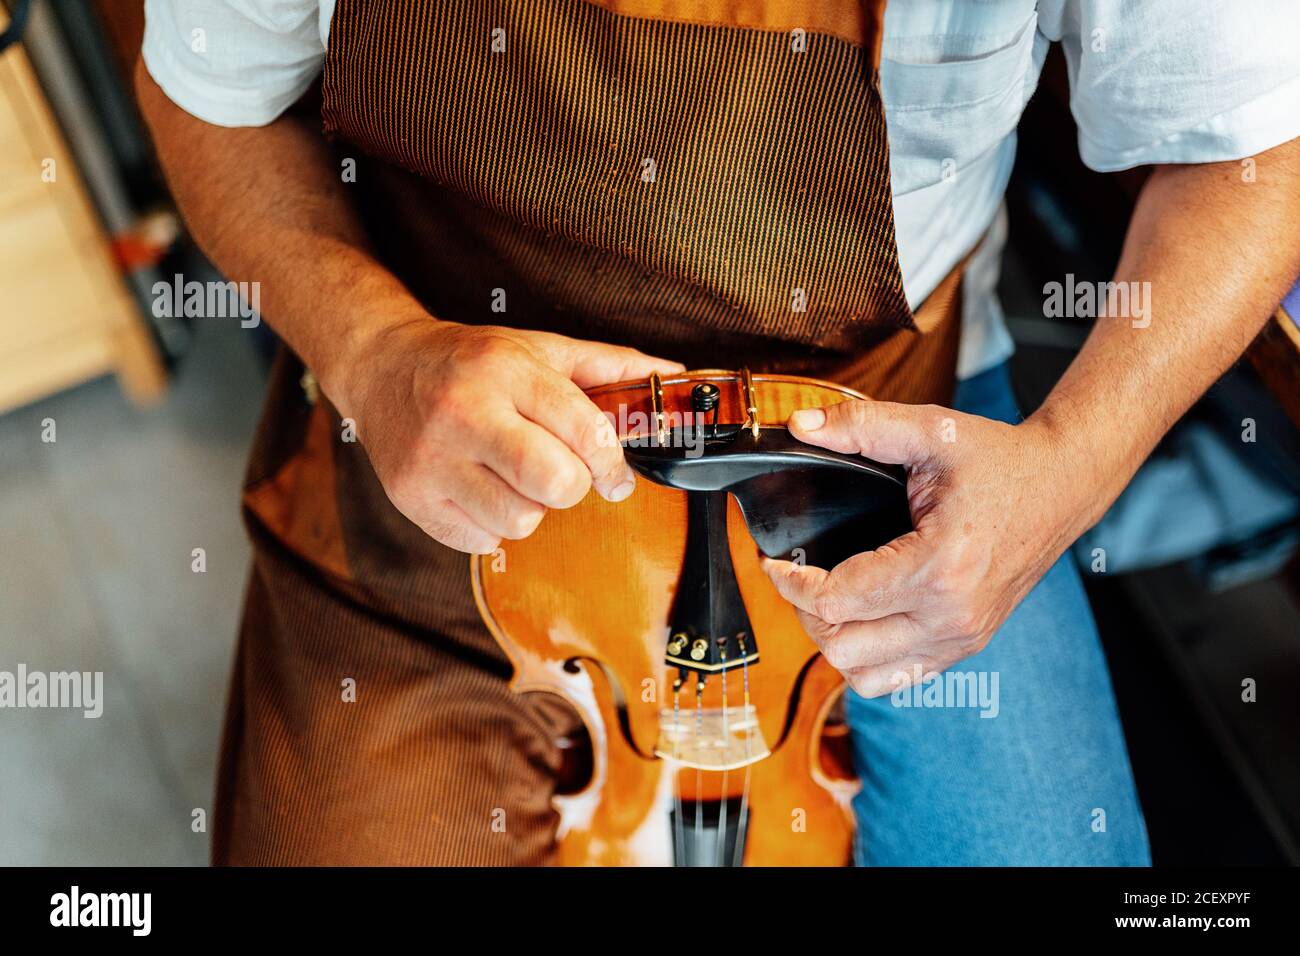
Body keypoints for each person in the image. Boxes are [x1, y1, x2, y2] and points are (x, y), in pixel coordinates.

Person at [136, 0, 1300, 865]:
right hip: (436, 426)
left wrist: (1066, 469)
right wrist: (372, 348)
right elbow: (206, 99)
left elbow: (1258, 149)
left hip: (883, 437)